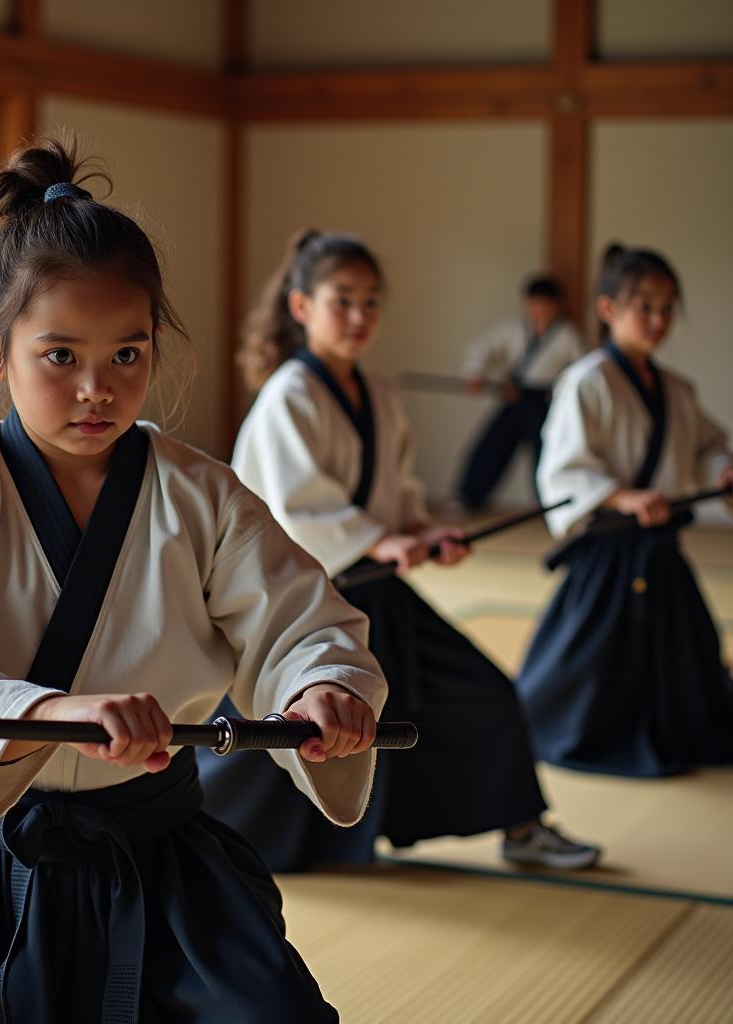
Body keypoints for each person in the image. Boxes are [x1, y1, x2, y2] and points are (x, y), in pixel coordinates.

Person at [0, 142, 389, 1024]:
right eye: (60, 357)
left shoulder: (200, 492)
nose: (98, 389)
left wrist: (321, 690)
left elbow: (295, 618)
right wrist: (52, 714)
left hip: (157, 852)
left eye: (127, 355)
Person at [199, 230, 599, 874]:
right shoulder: (287, 397)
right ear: (301, 307)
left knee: (486, 693)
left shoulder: (379, 394)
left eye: (371, 302)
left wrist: (420, 532)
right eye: (342, 301)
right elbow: (296, 512)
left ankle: (524, 826)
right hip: (299, 609)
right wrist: (384, 540)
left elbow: (398, 491)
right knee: (279, 742)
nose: (360, 317)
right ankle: (209, 847)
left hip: (376, 591)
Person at [516, 243, 733, 777]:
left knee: (687, 657)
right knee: (588, 665)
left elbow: (709, 445)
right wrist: (621, 496)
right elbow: (562, 469)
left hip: (660, 552)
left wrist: (722, 472)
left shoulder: (677, 391)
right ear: (608, 308)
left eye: (666, 307)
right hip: (608, 558)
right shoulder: (587, 381)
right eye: (645, 306)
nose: (658, 319)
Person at [455, 274, 584, 510]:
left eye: (547, 304)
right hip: (514, 395)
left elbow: (580, 370)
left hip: (545, 400)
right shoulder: (512, 329)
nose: (541, 310)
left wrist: (562, 396)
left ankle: (550, 505)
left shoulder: (567, 334)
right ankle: (468, 498)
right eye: (536, 303)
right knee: (492, 446)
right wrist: (475, 374)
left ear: (557, 306)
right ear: (527, 303)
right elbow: (482, 348)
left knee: (548, 454)